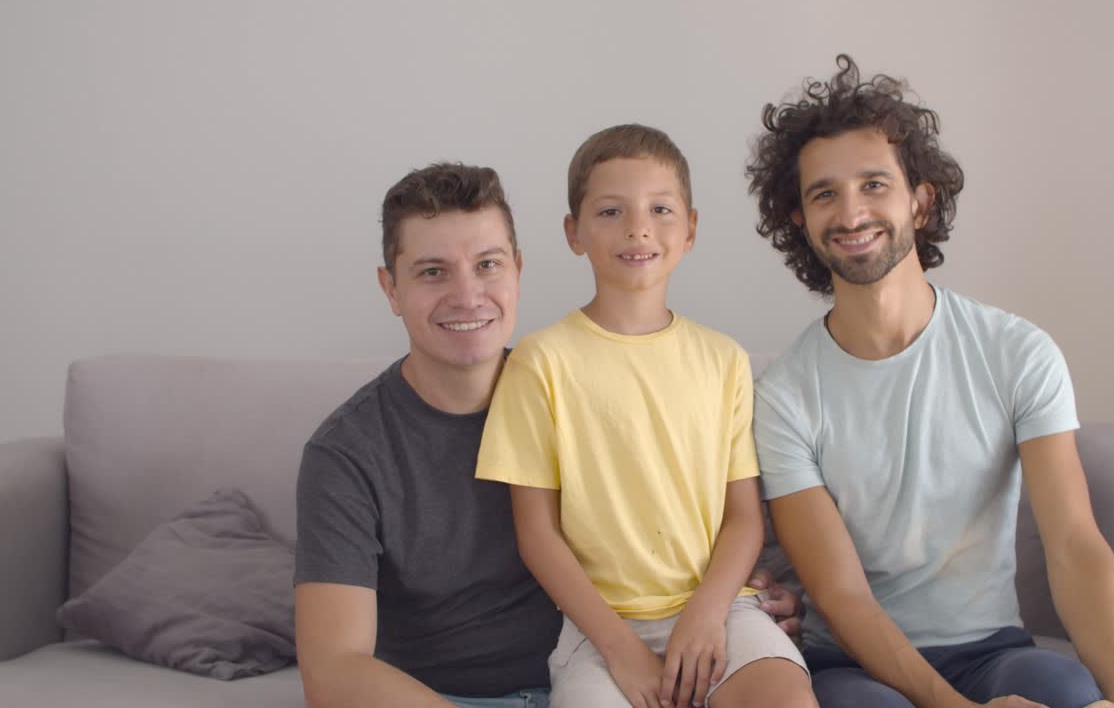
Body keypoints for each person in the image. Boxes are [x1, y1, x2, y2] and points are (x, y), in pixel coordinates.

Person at [293, 162, 798, 708]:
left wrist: (748, 602)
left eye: (487, 265)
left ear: (517, 269)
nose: (467, 295)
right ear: (390, 288)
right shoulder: (347, 453)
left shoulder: (577, 384)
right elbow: (334, 670)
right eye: (432, 272)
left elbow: (686, 519)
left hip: (624, 673)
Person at [745, 55, 1114, 708]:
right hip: (849, 663)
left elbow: (1074, 545)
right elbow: (842, 595)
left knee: (1070, 696)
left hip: (994, 651)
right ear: (798, 218)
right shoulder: (785, 396)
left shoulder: (1017, 352)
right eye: (824, 194)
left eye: (874, 184)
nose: (850, 213)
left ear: (921, 200)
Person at [475, 125, 817, 708]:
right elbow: (537, 532)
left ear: (690, 229)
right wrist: (621, 647)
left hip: (722, 611)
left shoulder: (723, 359)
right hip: (599, 630)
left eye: (660, 209)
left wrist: (708, 613)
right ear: (573, 232)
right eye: (611, 211)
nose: (638, 228)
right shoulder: (541, 361)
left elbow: (744, 519)